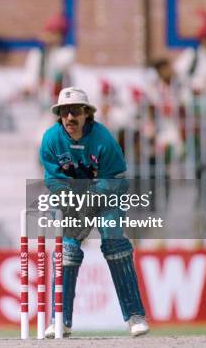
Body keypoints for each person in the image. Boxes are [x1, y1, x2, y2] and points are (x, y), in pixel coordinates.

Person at [39, 87, 149, 338]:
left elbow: (116, 177)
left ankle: (135, 316)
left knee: (115, 244)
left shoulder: (102, 138)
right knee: (66, 250)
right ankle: (60, 321)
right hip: (73, 199)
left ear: (87, 113)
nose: (70, 117)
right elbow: (53, 180)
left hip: (107, 195)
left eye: (75, 111)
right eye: (65, 112)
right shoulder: (51, 139)